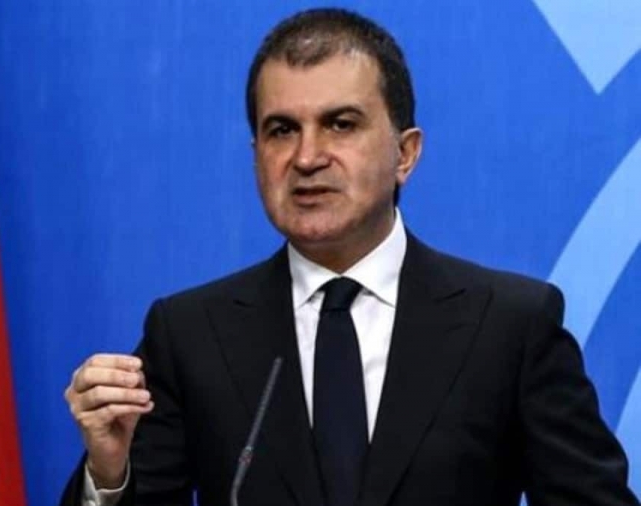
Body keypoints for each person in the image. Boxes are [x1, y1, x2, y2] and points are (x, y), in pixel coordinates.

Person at [60, 8, 639, 506]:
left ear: (405, 154)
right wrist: (107, 476)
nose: (307, 157)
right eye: (281, 130)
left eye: (340, 124)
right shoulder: (190, 335)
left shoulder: (510, 326)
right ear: (256, 154)